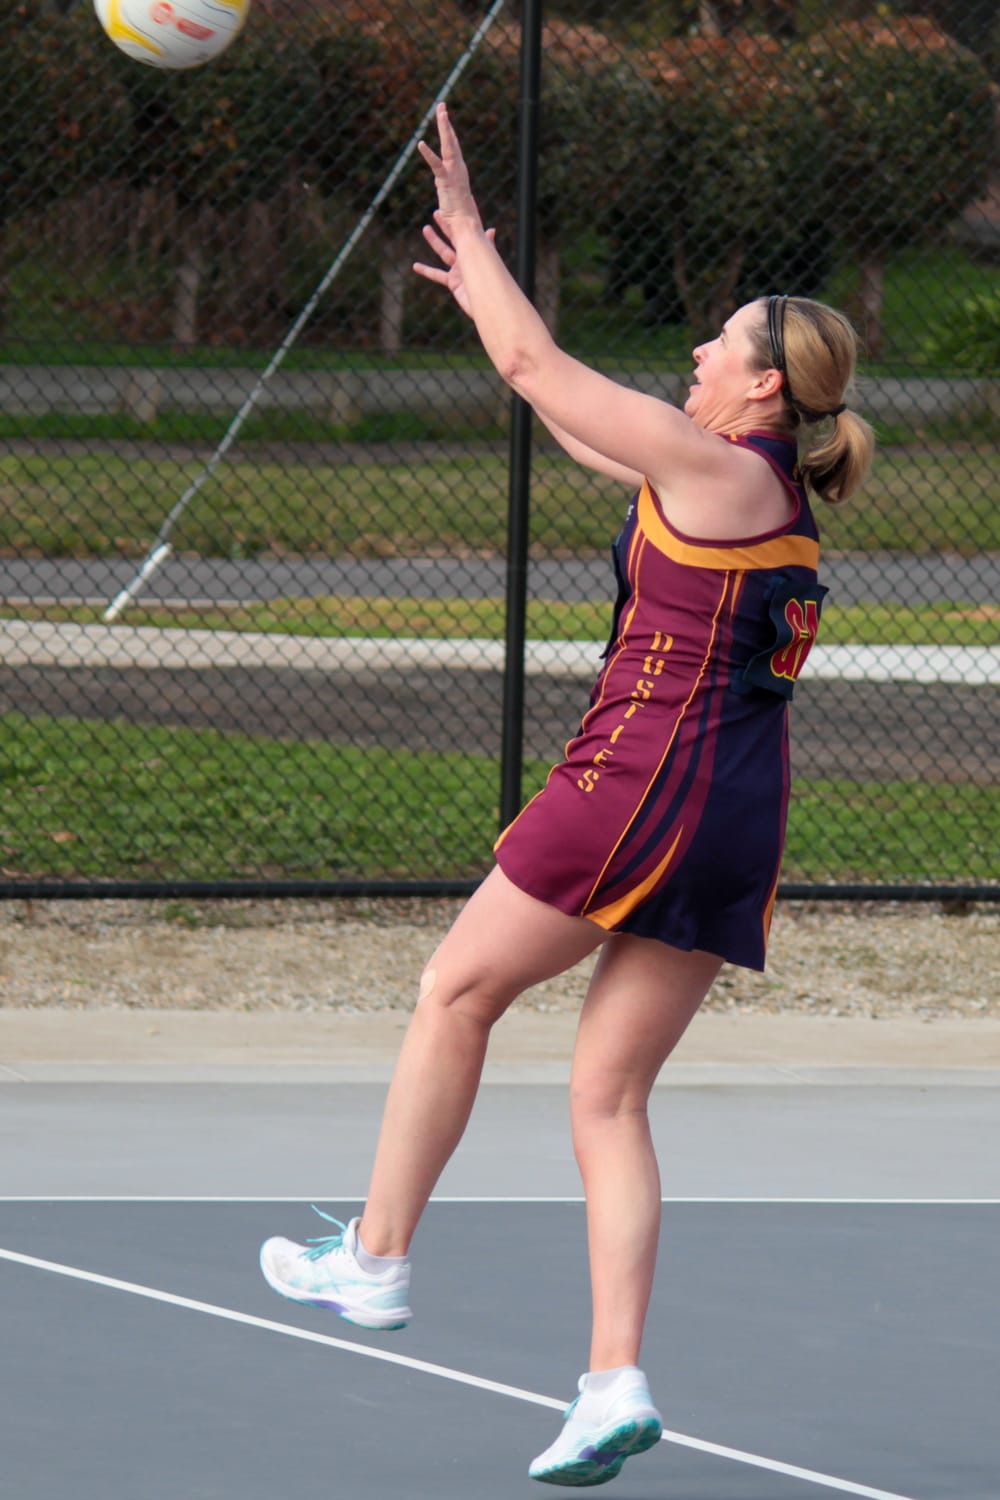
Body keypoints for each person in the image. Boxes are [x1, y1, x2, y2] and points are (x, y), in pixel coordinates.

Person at [259, 103, 876, 1487]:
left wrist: (472, 234)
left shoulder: (715, 466)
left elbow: (539, 360)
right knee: (607, 1099)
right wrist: (486, 306)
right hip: (734, 819)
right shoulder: (736, 486)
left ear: (767, 388)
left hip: (636, 787)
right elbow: (556, 403)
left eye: (726, 341)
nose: (705, 349)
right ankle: (612, 1384)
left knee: (456, 995)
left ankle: (374, 1259)